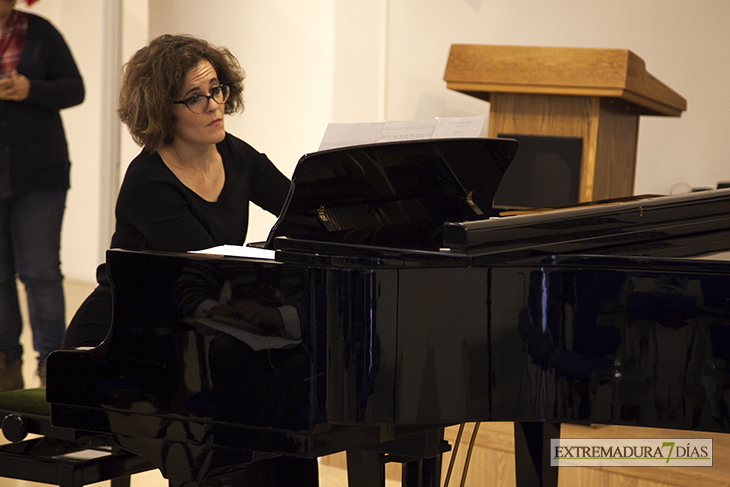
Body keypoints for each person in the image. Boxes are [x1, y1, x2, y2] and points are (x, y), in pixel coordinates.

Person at [63, 34, 318, 486]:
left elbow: (301, 211)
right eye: (195, 98)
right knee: (240, 382)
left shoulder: (237, 156)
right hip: (127, 333)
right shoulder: (149, 181)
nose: (214, 105)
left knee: (284, 383)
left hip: (199, 321)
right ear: (163, 111)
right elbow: (203, 271)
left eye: (216, 89)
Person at [0, 0, 84, 391]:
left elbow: (74, 89)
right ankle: (6, 366)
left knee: (41, 273)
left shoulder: (41, 31)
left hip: (41, 174)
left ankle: (52, 369)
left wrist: (29, 89)